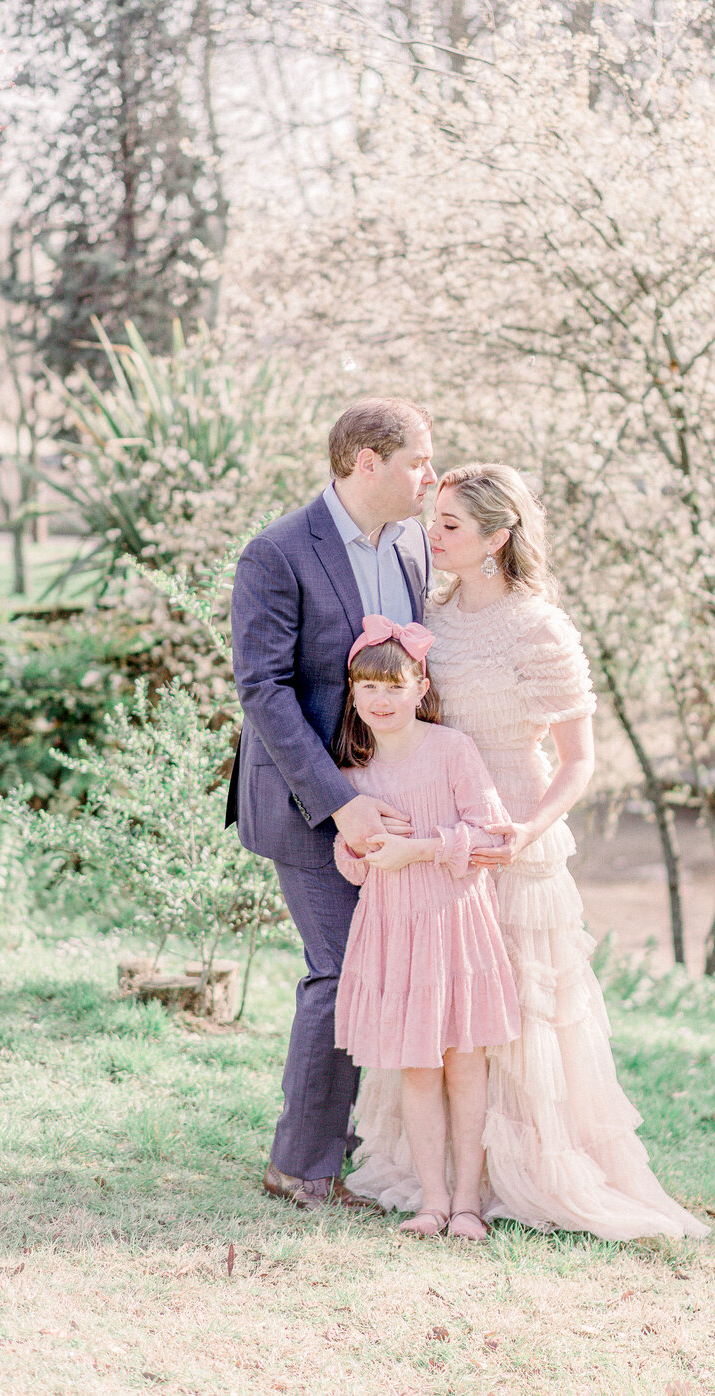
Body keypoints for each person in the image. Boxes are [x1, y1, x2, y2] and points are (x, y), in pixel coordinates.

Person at [347, 463, 708, 1241]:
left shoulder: (540, 626)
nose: (431, 536)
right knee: (441, 1011)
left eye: (449, 526)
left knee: (511, 1020)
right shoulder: (426, 617)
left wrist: (527, 831)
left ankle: (517, 1176)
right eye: (432, 521)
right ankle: (438, 1183)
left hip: (510, 840)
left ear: (496, 539)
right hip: (432, 842)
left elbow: (579, 760)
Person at [226, 399, 436, 1209]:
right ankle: (301, 1167)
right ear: (366, 463)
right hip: (308, 800)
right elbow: (264, 692)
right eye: (418, 460)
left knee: (378, 972)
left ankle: (353, 1151)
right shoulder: (277, 553)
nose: (429, 475)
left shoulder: (415, 544)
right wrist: (339, 802)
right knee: (343, 971)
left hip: (391, 801)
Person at [331, 618, 520, 1240]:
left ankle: (467, 1203)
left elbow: (491, 836)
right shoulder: (353, 774)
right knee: (417, 1067)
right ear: (353, 694)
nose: (380, 700)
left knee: (465, 1064)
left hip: (454, 923)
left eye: (394, 686)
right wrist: (359, 846)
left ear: (420, 687)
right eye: (367, 687)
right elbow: (352, 866)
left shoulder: (451, 751)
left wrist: (421, 850)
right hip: (394, 932)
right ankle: (432, 1202)